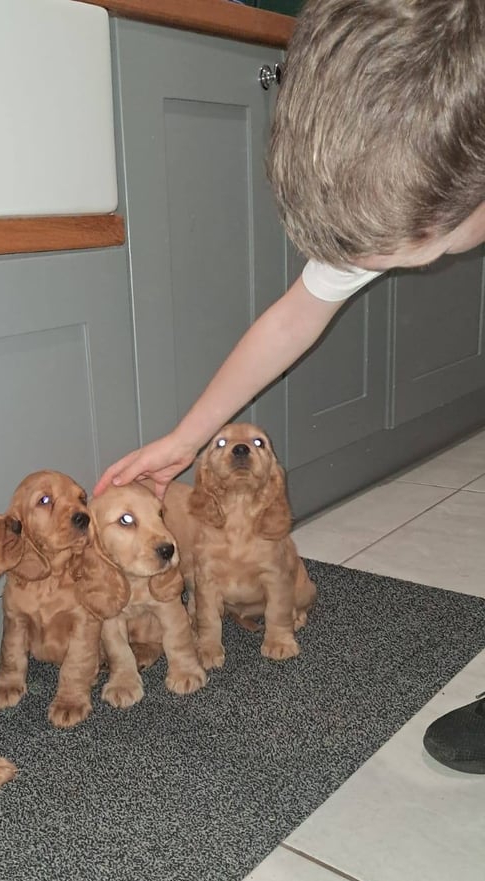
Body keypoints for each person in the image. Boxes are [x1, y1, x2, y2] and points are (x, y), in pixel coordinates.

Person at [93, 0, 485, 773]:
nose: (368, 273)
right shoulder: (401, 176)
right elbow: (293, 318)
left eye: (403, 257)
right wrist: (184, 440)